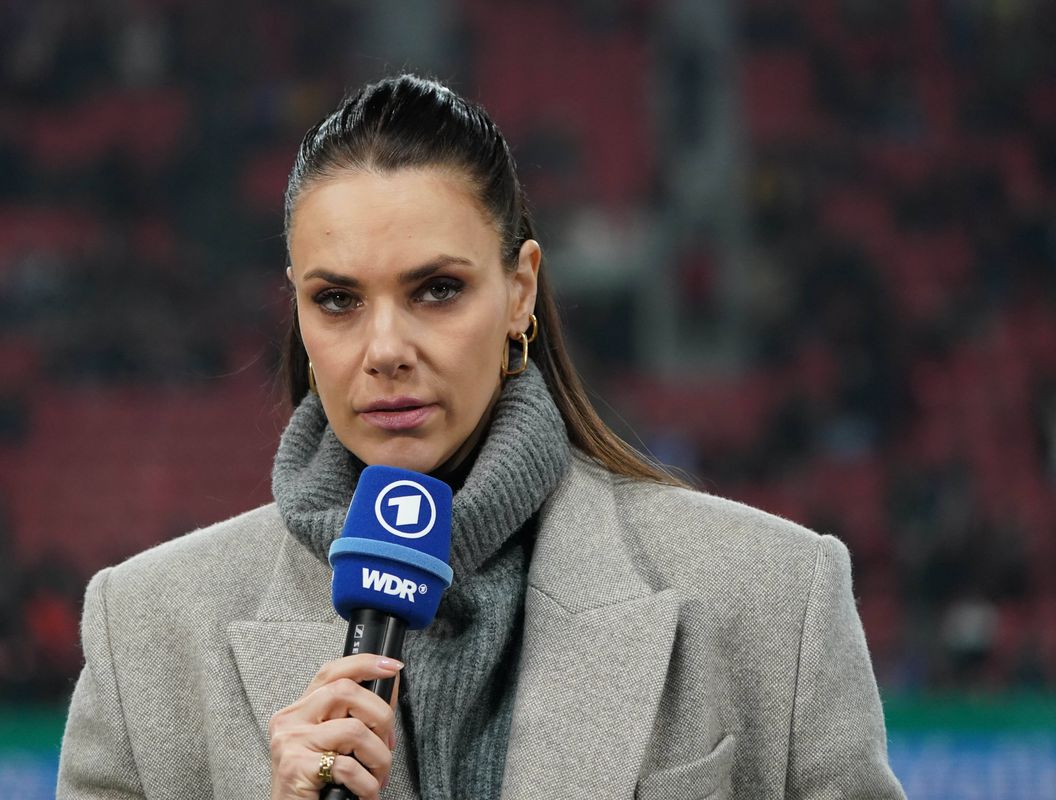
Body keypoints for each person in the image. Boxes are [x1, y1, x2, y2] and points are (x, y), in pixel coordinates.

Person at [57, 74, 905, 800]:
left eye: (435, 290)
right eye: (338, 300)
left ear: (519, 292)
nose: (385, 350)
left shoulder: (772, 599)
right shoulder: (147, 633)